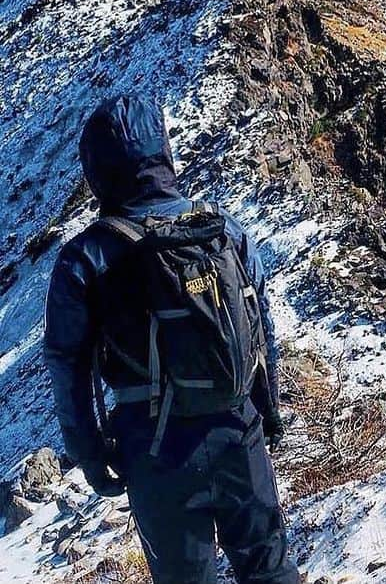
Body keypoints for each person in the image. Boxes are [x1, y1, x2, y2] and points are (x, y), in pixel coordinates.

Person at [43, 94, 299, 584]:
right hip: (237, 426)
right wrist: (267, 410)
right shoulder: (221, 229)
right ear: (162, 152)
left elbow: (67, 366)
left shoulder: (86, 258)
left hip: (155, 446)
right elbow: (260, 323)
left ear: (97, 166)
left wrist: (93, 457)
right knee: (270, 570)